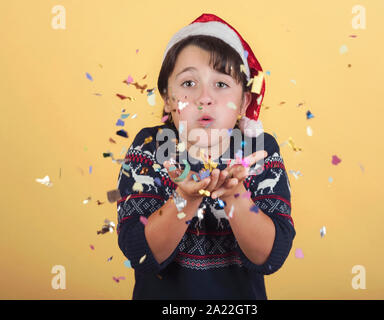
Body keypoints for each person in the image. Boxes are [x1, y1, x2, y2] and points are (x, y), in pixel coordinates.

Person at [116, 13, 295, 300]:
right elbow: (139, 254)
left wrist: (235, 194)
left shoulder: (258, 149)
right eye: (188, 83)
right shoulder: (149, 148)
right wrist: (184, 199)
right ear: (167, 97)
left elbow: (271, 257)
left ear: (243, 101)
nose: (204, 97)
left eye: (221, 84)